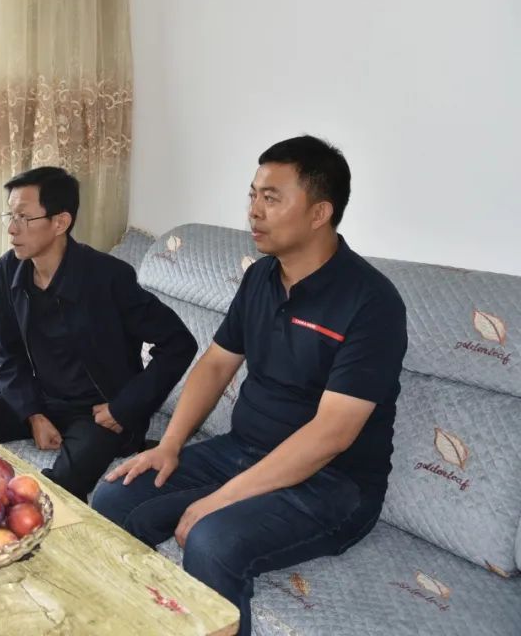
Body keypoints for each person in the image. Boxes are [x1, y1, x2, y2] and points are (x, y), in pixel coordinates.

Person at [92, 136, 408, 636]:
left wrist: (222, 500)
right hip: (241, 450)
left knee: (212, 539)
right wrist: (169, 445)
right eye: (253, 195)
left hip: (332, 484)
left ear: (319, 212)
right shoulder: (260, 277)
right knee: (113, 497)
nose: (254, 211)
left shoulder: (371, 302)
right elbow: (216, 365)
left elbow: (332, 434)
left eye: (272, 198)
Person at [0, 167, 197, 502]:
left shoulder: (108, 277)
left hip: (98, 413)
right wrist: (32, 414)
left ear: (60, 222)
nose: (11, 228)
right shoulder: (9, 269)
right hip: (41, 398)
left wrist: (125, 408)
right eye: (11, 215)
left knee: (58, 489)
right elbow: (9, 351)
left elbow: (179, 343)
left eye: (24, 217)